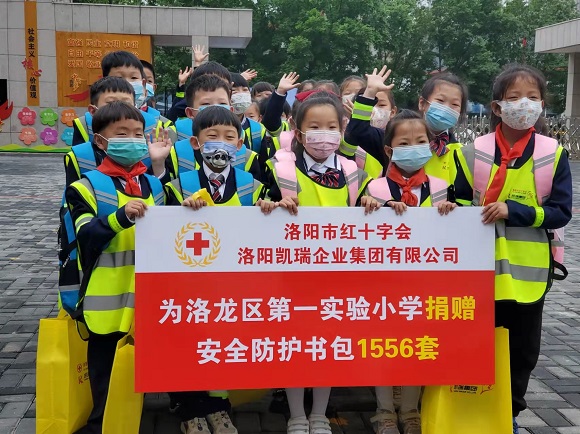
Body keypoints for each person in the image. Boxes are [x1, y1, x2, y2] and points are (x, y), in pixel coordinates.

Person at [453, 64, 572, 434]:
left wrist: (515, 211)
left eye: (533, 97)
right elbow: (458, 203)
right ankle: (470, 409)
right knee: (476, 342)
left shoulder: (553, 153)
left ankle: (509, 414)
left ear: (542, 105)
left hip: (528, 271)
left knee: (522, 350)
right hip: (477, 268)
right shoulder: (472, 152)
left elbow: (561, 212)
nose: (525, 104)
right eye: (515, 97)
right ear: (497, 106)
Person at [264, 92, 378, 434]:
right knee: (295, 345)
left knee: (329, 346)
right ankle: (297, 415)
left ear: (342, 131)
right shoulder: (280, 168)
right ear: (298, 132)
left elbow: (365, 208)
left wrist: (370, 201)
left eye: (331, 126)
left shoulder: (353, 171)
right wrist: (270, 205)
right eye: (314, 126)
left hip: (338, 277)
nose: (323, 134)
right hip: (291, 276)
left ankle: (319, 414)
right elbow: (259, 208)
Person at [66, 101, 171, 434]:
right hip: (106, 301)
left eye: (138, 134)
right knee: (105, 372)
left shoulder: (154, 184)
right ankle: (102, 424)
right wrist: (120, 218)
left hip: (149, 296)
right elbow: (85, 235)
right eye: (122, 134)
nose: (133, 140)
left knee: (149, 363)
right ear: (101, 141)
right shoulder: (84, 187)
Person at [365, 111, 457, 434]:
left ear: (431, 146)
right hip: (382, 285)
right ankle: (384, 411)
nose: (414, 148)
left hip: (424, 284)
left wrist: (452, 212)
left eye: (420, 141)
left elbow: (454, 234)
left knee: (418, 346)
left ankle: (410, 410)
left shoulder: (442, 188)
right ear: (389, 150)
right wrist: (373, 208)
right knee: (382, 346)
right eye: (404, 143)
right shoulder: (375, 188)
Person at [168, 75, 261, 181]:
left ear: (231, 109)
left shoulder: (247, 157)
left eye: (222, 103)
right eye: (206, 104)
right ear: (190, 113)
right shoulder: (176, 153)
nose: (215, 109)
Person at [72, 51, 175, 146]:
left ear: (143, 84)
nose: (126, 83)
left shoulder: (159, 124)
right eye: (119, 78)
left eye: (133, 78)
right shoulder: (84, 124)